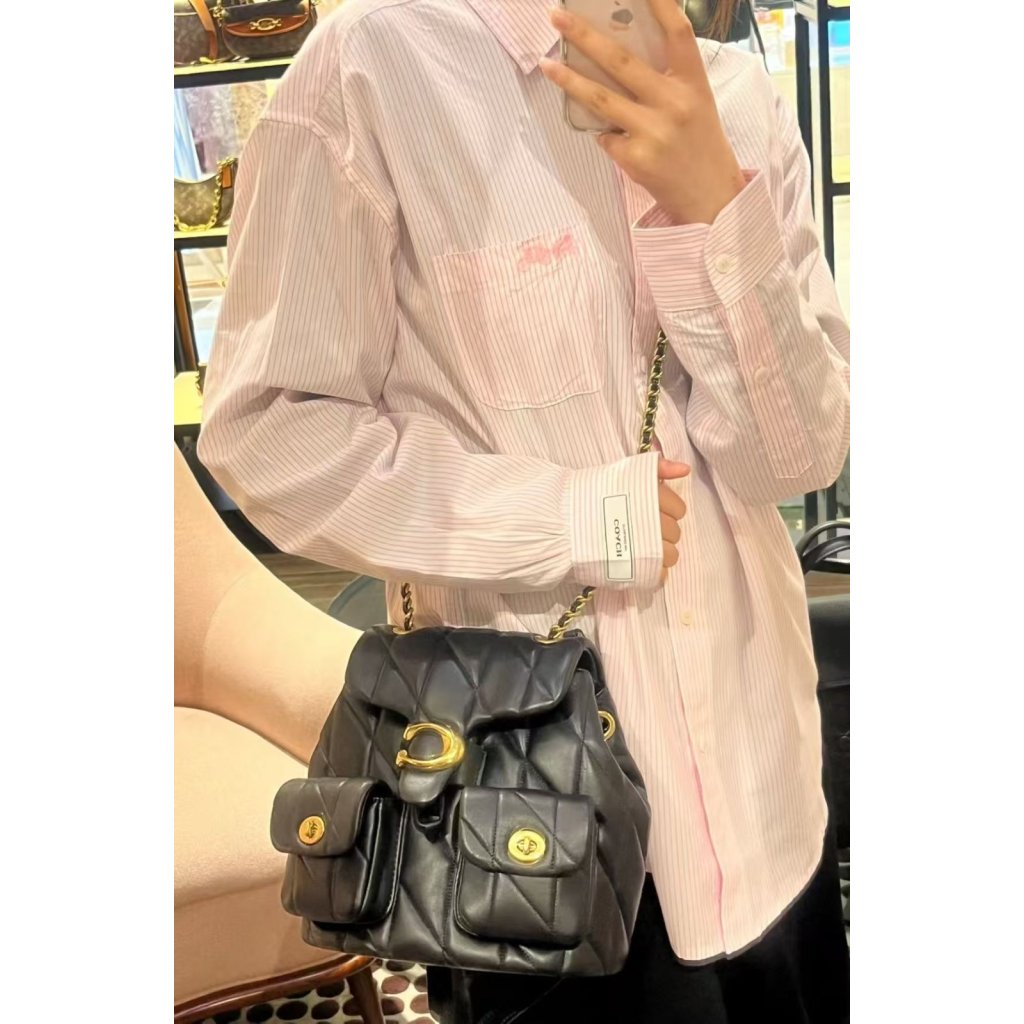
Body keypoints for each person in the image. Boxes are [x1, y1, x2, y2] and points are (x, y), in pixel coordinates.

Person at [198, 0, 851, 1019]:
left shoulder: (735, 94)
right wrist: (575, 518)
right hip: (524, 824)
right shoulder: (374, 67)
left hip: (767, 786)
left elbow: (799, 456)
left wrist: (711, 205)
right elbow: (269, 431)